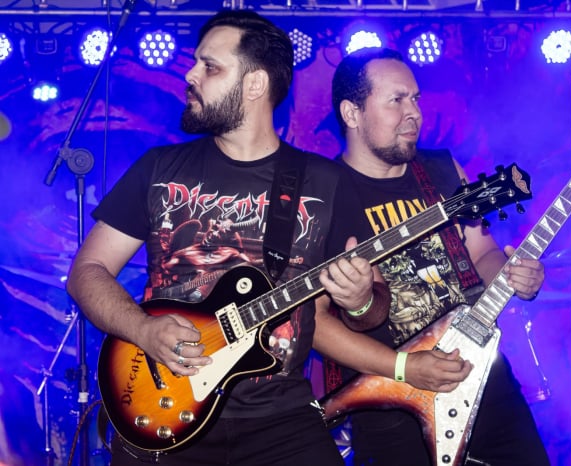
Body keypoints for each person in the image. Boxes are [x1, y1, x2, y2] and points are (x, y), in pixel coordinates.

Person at [66, 11, 397, 465]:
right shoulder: (159, 168)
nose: (190, 74)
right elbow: (87, 271)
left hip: (281, 420)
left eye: (210, 66)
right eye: (196, 63)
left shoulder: (325, 181)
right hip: (162, 403)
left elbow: (371, 308)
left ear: (255, 84)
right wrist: (143, 329)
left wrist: (359, 301)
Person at [318, 47, 551, 465]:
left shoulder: (444, 171)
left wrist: (514, 276)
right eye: (396, 100)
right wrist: (405, 367)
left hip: (482, 376)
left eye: (415, 99)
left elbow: (483, 253)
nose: (414, 113)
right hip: (390, 402)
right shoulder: (322, 197)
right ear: (352, 113)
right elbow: (315, 325)